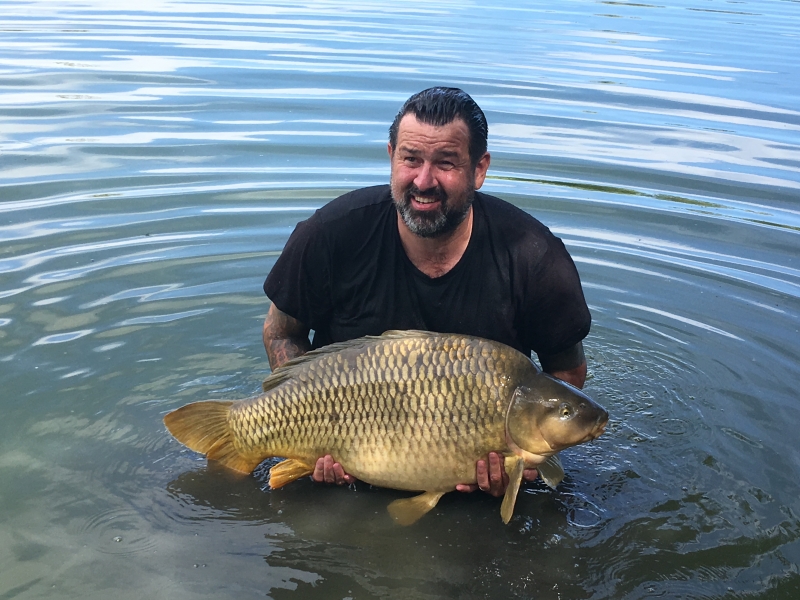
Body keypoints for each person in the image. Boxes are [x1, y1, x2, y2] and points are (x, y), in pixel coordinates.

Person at [262, 87, 591, 497]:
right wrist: (307, 421)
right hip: (350, 453)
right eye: (410, 159)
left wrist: (528, 458)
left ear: (480, 169)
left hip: (479, 460)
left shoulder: (535, 257)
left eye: (446, 163)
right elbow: (280, 332)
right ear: (391, 156)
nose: (423, 180)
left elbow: (567, 372)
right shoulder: (330, 236)